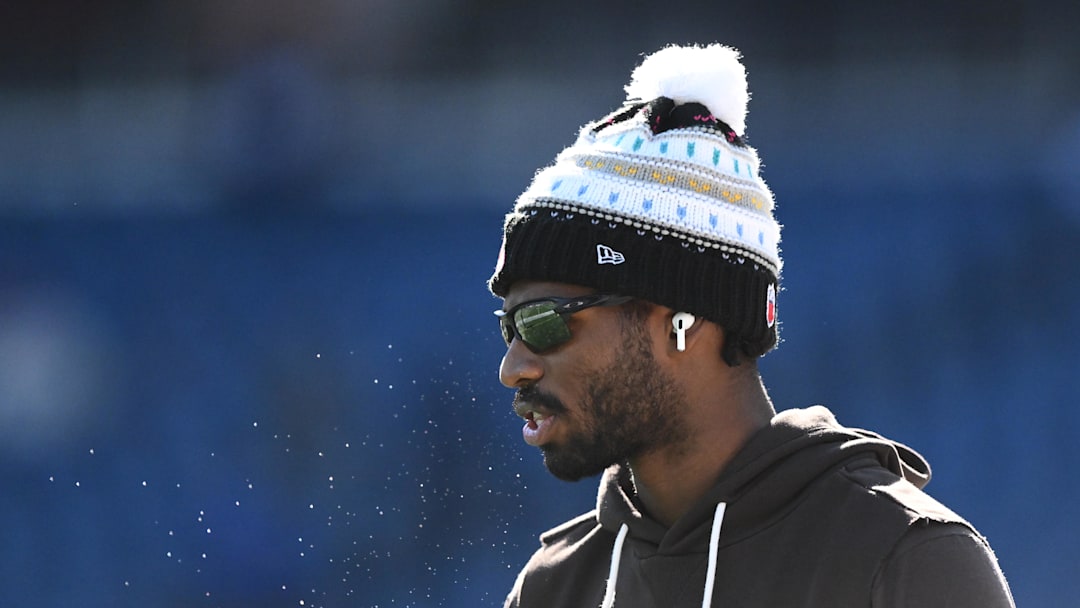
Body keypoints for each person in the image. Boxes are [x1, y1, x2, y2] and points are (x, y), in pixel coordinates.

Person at [487, 43, 1014, 607]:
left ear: (680, 322)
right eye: (508, 328)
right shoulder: (555, 587)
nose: (512, 368)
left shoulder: (904, 560)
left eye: (542, 322)